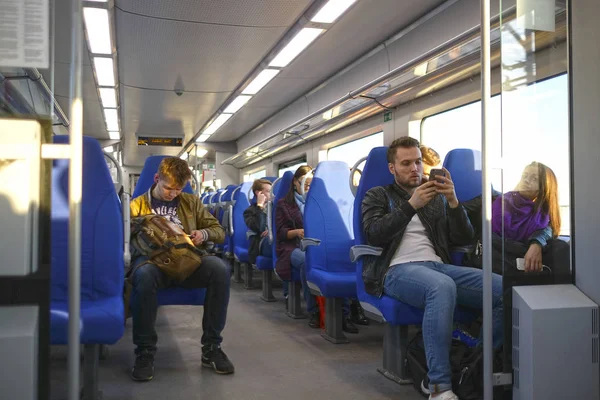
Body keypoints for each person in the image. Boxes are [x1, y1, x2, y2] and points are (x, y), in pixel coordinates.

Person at [361, 137, 503, 400]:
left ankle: (474, 365)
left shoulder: (435, 198)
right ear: (392, 168)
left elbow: (462, 238)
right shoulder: (377, 195)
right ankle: (438, 386)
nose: (415, 168)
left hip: (437, 266)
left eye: (417, 162)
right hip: (396, 270)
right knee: (441, 287)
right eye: (406, 163)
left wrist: (453, 201)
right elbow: (373, 234)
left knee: (502, 289)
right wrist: (410, 205)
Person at [129, 157, 234, 381]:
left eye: (178, 189)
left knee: (219, 268)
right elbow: (123, 240)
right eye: (168, 188)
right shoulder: (135, 206)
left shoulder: (191, 202)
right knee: (144, 275)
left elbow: (219, 231)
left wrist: (202, 234)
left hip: (187, 262)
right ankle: (145, 351)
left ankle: (211, 348)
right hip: (154, 263)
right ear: (157, 179)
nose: (172, 194)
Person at [275, 165, 359, 333]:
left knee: (338, 261)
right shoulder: (283, 204)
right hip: (293, 247)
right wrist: (298, 232)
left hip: (319, 245)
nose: (308, 186)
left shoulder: (325, 202)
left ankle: (344, 314)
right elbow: (280, 233)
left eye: (311, 183)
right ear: (295, 183)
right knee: (307, 262)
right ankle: (314, 311)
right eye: (305, 182)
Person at [463, 161, 570, 280]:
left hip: (524, 268)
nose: (526, 180)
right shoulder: (495, 199)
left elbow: (549, 229)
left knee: (560, 247)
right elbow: (461, 210)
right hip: (494, 263)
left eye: (534, 179)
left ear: (545, 187)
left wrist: (536, 244)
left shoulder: (544, 217)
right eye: (525, 176)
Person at [244, 179, 273, 264]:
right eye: (268, 191)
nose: (271, 194)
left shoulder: (276, 207)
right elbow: (260, 227)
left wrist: (272, 231)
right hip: (260, 243)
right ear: (258, 193)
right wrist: (260, 207)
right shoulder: (249, 211)